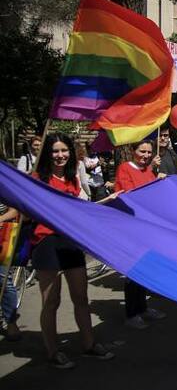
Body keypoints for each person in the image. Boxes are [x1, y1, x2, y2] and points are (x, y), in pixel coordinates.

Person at [31, 133, 114, 369]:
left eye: (64, 150)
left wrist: (107, 203)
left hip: (70, 242)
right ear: (48, 153)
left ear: (70, 152)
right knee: (51, 301)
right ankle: (52, 351)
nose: (60, 155)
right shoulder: (37, 178)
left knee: (81, 297)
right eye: (55, 151)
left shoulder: (72, 178)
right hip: (46, 243)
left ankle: (88, 345)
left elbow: (77, 210)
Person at [113, 139, 168, 329]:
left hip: (148, 227)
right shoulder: (125, 168)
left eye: (148, 152)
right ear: (133, 151)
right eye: (142, 152)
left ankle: (142, 308)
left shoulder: (149, 171)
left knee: (144, 268)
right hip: (131, 228)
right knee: (132, 271)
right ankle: (131, 313)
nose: (145, 156)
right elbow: (129, 194)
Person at [0, 204, 22, 342]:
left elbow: (15, 210)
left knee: (3, 280)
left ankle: (11, 322)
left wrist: (1, 219)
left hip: (3, 236)